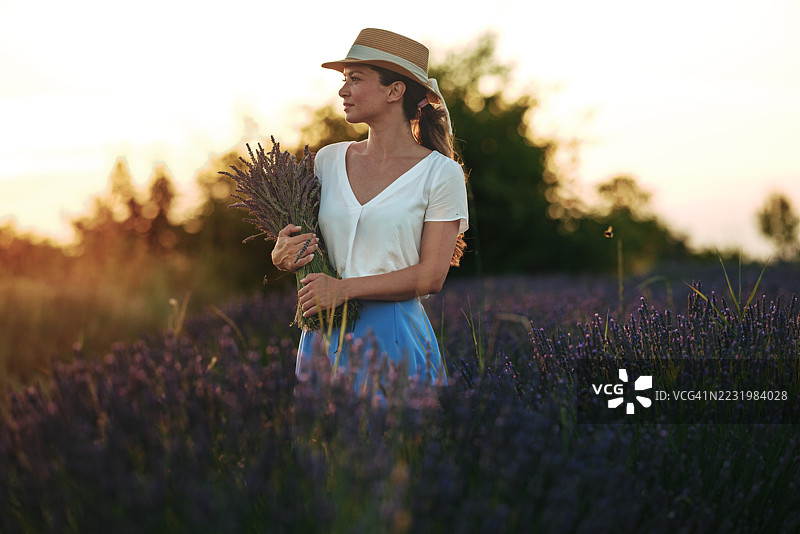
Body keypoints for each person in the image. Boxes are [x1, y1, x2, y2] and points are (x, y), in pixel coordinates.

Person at [271, 28, 468, 387]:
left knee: (394, 440)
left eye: (356, 79)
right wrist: (283, 254)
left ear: (395, 90)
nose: (343, 90)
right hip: (323, 334)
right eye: (344, 79)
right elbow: (310, 246)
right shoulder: (327, 161)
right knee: (322, 442)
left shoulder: (442, 173)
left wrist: (343, 290)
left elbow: (430, 277)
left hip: (394, 337)